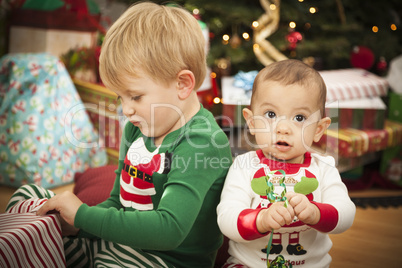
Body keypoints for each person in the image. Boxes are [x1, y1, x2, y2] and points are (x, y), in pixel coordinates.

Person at [7, 2, 232, 267]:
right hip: (113, 244)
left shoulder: (201, 142)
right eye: (120, 96)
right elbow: (117, 202)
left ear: (182, 84)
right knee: (29, 197)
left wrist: (82, 216)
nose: (126, 110)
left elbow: (169, 230)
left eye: (135, 96)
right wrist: (76, 225)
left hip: (165, 260)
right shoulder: (135, 129)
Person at [217, 59, 356, 268]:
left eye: (299, 117)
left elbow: (345, 213)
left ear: (318, 129)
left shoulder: (324, 168)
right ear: (252, 122)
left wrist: (316, 213)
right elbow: (227, 217)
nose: (283, 128)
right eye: (270, 114)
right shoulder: (243, 166)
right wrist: (261, 220)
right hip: (248, 263)